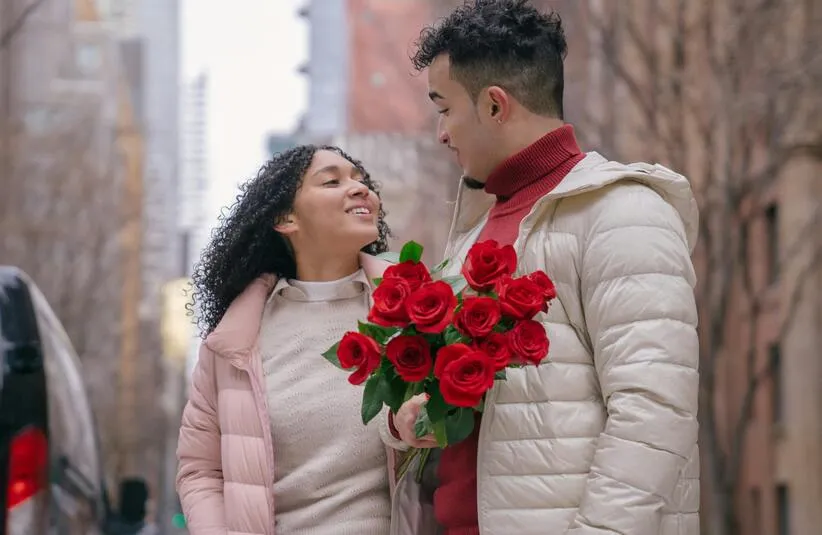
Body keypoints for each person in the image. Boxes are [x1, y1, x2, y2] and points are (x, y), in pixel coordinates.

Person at [387, 1, 700, 534]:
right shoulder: (474, 233)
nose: (441, 132)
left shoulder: (622, 214)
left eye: (444, 108)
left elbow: (654, 414)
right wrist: (407, 421)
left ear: (493, 105)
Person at [176, 145, 401, 535]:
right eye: (332, 181)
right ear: (285, 219)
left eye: (361, 181)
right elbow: (201, 470)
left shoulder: (414, 308)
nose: (359, 189)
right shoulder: (233, 344)